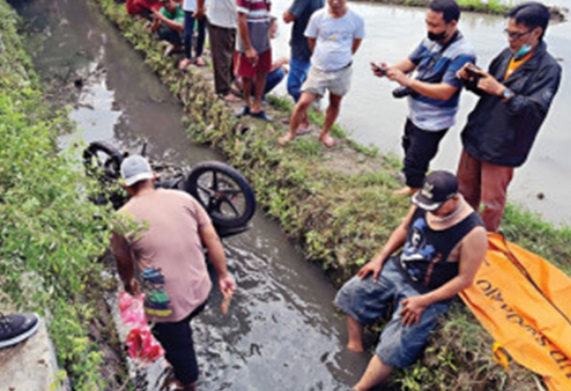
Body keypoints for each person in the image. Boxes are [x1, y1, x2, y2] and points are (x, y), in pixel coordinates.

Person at [335, 170, 487, 390]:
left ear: (454, 199)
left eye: (435, 207)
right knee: (354, 291)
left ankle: (360, 388)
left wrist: (424, 301)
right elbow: (404, 229)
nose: (429, 210)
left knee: (396, 343)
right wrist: (379, 259)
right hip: (400, 268)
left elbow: (465, 279)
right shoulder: (424, 204)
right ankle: (355, 346)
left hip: (428, 290)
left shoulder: (473, 232)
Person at [110, 155, 236, 391]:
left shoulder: (122, 218)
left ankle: (186, 383)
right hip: (202, 291)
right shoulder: (185, 198)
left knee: (178, 347)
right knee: (181, 328)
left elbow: (123, 260)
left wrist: (128, 283)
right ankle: (180, 345)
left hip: (167, 307)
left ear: (125, 185)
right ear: (153, 177)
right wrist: (223, 275)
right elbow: (212, 238)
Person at [455, 2, 561, 232]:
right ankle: (458, 235)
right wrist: (471, 80)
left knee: (490, 203)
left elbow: (534, 111)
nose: (510, 40)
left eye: (516, 35)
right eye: (508, 33)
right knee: (463, 193)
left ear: (537, 33)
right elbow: (488, 90)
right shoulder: (507, 55)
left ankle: (484, 245)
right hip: (477, 135)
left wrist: (503, 91)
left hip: (504, 146)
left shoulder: (548, 69)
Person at [372, 0, 475, 196]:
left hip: (435, 119)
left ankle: (415, 189)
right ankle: (415, 181)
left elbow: (446, 91)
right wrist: (388, 70)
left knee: (416, 159)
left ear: (452, 24)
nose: (430, 29)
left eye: (435, 25)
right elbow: (410, 62)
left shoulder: (463, 53)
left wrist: (407, 82)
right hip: (416, 112)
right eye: (427, 23)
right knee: (407, 144)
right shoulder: (431, 40)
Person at [278, 0, 365, 147]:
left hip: (342, 69)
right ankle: (291, 133)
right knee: (303, 102)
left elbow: (355, 44)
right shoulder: (318, 17)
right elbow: (311, 39)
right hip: (318, 69)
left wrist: (341, 57)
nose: (335, 2)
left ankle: (324, 133)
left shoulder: (356, 19)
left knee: (335, 102)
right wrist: (319, 57)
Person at [282, 0, 324, 131]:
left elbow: (287, 17)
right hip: (312, 47)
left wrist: (288, 9)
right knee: (304, 84)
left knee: (293, 86)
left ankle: (303, 121)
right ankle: (298, 116)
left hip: (302, 48)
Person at [235, 0, 273, 121]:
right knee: (246, 75)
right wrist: (248, 47)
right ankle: (246, 104)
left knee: (262, 73)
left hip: (263, 42)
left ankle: (257, 106)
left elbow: (266, 13)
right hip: (249, 42)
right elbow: (241, 19)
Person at [204, 0, 241, 101]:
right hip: (219, 20)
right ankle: (223, 90)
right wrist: (199, 8)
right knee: (221, 56)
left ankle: (229, 84)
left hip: (232, 20)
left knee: (230, 56)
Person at [263, 17, 289, 100]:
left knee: (281, 69)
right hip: (249, 80)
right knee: (279, 73)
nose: (277, 29)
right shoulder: (263, 44)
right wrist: (282, 61)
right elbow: (267, 68)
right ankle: (258, 95)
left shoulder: (264, 42)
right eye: (275, 27)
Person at [179, 0, 207, 69]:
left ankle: (199, 55)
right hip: (189, 6)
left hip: (204, 5)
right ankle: (187, 56)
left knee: (202, 31)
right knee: (187, 33)